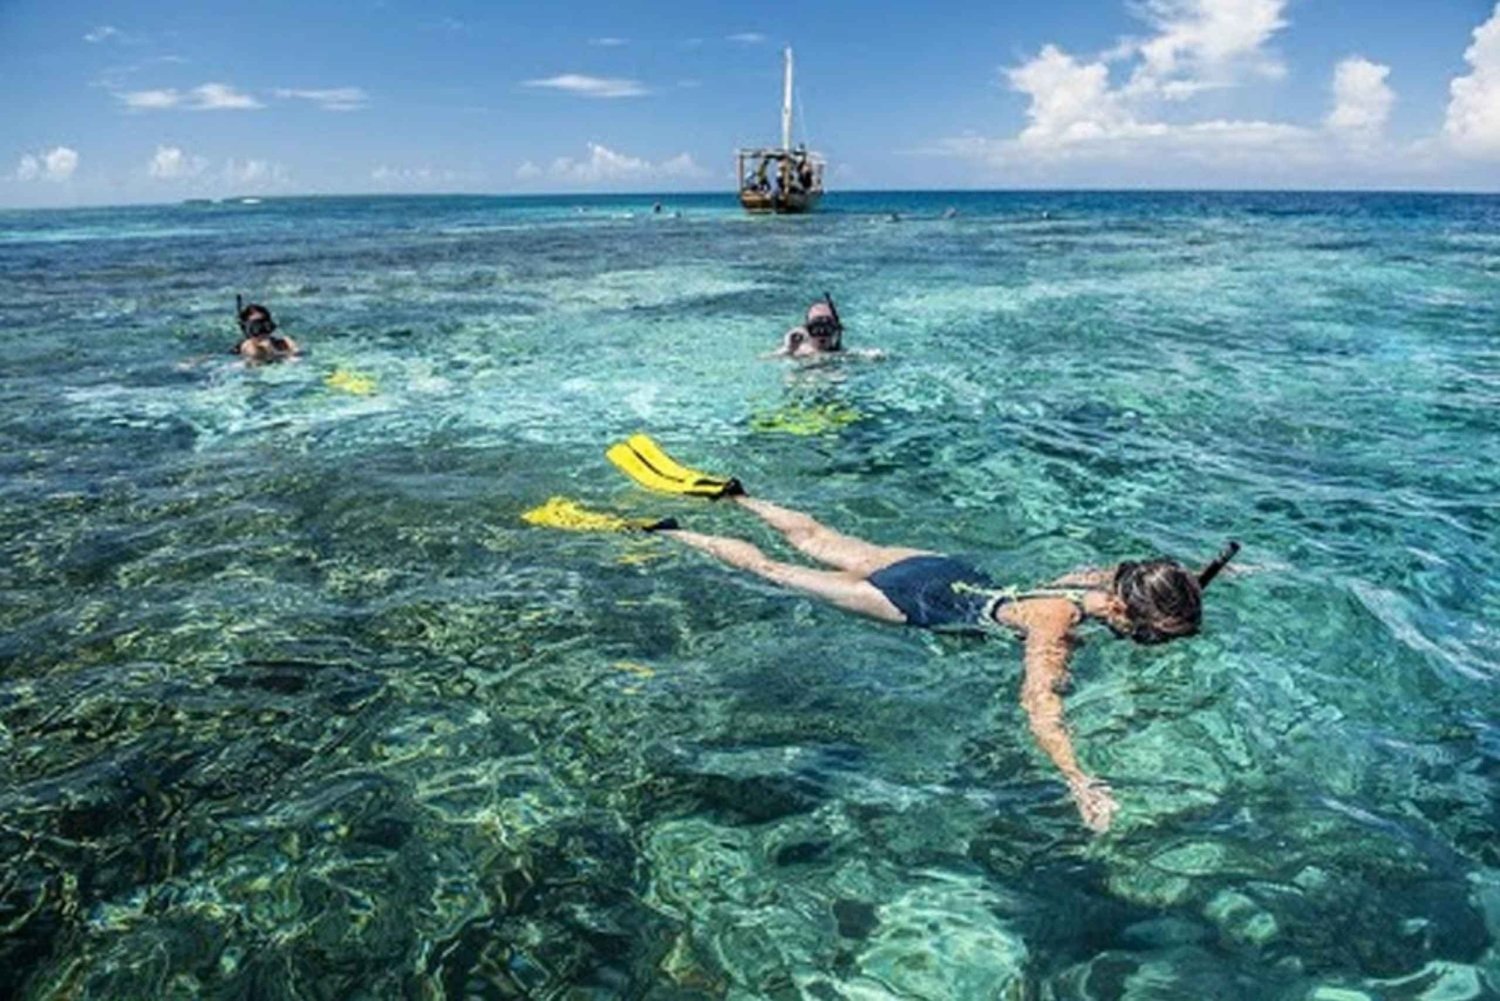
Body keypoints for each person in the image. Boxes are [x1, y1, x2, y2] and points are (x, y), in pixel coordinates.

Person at [596, 436, 1241, 832]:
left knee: (816, 535)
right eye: (1154, 637)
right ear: (1130, 617)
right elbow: (1040, 707)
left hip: (947, 569)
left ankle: (735, 496)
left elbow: (1167, 590)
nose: (1153, 646)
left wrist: (1199, 585)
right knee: (777, 572)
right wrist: (1079, 780)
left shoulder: (1100, 583)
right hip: (921, 601)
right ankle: (674, 531)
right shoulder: (1060, 623)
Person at [231, 296, 299, 363]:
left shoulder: (283, 343)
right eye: (256, 325)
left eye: (265, 324)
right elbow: (255, 354)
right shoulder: (245, 346)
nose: (261, 330)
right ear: (246, 329)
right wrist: (270, 349)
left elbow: (297, 355)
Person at [774, 294, 844, 357]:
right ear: (807, 330)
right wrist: (789, 348)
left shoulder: (841, 355)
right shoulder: (799, 352)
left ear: (835, 331)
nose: (822, 335)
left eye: (827, 329)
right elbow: (768, 359)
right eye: (816, 329)